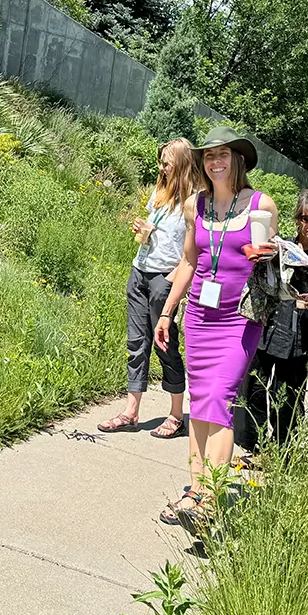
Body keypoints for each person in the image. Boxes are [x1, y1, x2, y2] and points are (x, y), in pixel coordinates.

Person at [153, 126, 279, 528]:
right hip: (200, 318)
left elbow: (276, 268)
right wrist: (167, 312)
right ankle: (196, 491)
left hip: (240, 318)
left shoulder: (261, 204)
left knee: (220, 399)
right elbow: (189, 262)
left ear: (238, 160)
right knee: (200, 403)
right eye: (209, 156)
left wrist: (270, 255)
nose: (216, 162)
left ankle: (210, 499)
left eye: (223, 154)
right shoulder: (195, 205)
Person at [99, 139, 201, 438]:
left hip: (164, 279)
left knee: (165, 344)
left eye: (167, 162)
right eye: (161, 161)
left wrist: (172, 281)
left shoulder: (195, 202)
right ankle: (131, 412)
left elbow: (191, 251)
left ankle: (175, 414)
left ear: (182, 163)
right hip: (140, 271)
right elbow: (152, 237)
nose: (162, 167)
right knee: (136, 343)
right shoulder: (159, 193)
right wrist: (143, 232)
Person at [233, 189, 308, 461]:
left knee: (287, 397)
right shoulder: (280, 249)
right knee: (253, 388)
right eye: (307, 219)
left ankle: (283, 454)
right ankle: (254, 448)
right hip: (267, 327)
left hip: (298, 337)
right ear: (297, 219)